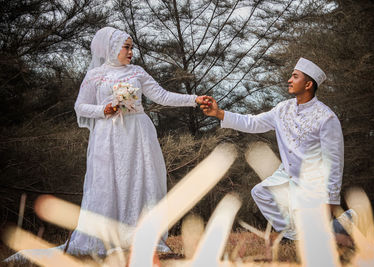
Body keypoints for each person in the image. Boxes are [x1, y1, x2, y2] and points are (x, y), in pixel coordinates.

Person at [66, 27, 207, 255]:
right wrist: (104, 108)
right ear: (112, 48)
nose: (131, 52)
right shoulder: (95, 75)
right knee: (107, 183)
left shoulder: (137, 72)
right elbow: (80, 106)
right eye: (127, 47)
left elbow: (162, 95)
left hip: (137, 134)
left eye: (132, 47)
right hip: (107, 136)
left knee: (139, 181)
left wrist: (194, 99)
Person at [201, 58, 352, 241]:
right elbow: (253, 122)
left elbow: (334, 162)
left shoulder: (327, 118)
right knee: (261, 192)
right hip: (287, 177)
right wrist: (219, 113)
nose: (289, 79)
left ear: (308, 84)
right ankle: (295, 236)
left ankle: (344, 221)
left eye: (295, 76)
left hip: (314, 186)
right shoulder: (283, 109)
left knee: (320, 233)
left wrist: (331, 200)